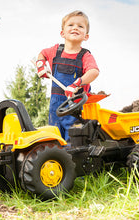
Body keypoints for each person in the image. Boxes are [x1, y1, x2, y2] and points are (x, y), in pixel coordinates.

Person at [36, 10, 99, 142]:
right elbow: (42, 54)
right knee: (54, 137)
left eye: (80, 26)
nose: (75, 27)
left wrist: (77, 83)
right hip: (55, 107)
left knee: (73, 138)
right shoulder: (55, 51)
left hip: (76, 107)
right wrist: (41, 65)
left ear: (86, 36)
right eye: (71, 25)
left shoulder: (85, 56)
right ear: (62, 33)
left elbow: (93, 71)